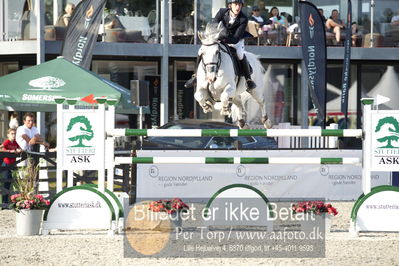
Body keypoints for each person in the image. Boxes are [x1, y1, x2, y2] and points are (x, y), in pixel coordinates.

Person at [185, 0, 256, 91]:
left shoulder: (243, 18)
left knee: (240, 54)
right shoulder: (222, 12)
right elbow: (214, 24)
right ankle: (195, 76)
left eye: (239, 5)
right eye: (235, 4)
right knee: (201, 50)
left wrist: (223, 38)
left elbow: (235, 38)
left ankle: (248, 79)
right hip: (218, 37)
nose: (238, 7)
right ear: (230, 5)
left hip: (235, 41)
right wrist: (217, 35)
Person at [1, 128, 21, 205]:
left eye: (14, 134)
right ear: (8, 135)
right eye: (12, 134)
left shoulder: (15, 142)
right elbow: (1, 148)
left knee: (13, 183)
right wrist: (9, 151)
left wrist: (19, 150)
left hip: (13, 165)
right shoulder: (7, 142)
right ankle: (4, 203)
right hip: (6, 164)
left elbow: (19, 148)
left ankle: (13, 202)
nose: (13, 135)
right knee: (6, 183)